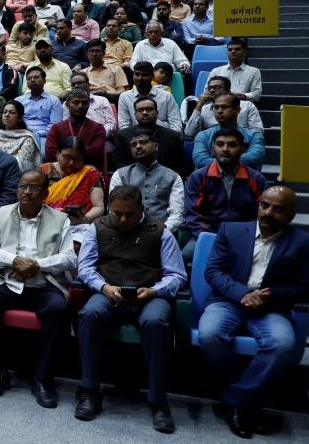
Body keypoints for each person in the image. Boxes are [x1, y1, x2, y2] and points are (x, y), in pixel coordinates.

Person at [198, 186, 309, 439]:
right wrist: (243, 294)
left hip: (271, 308)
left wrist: (272, 295)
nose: (268, 212)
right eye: (265, 205)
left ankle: (236, 398)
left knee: (282, 343)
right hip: (229, 300)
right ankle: (246, 394)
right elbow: (213, 272)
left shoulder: (302, 242)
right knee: (210, 334)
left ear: (291, 215)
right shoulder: (231, 230)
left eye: (278, 209)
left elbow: (304, 288)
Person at [75, 186, 186, 433]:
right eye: (117, 214)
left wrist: (155, 291)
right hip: (109, 292)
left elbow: (177, 275)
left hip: (149, 295)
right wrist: (103, 287)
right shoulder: (97, 228)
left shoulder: (160, 231)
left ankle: (158, 401)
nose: (123, 220)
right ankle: (89, 391)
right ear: (110, 210)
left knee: (156, 322)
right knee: (89, 314)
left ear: (141, 209)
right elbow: (85, 268)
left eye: (130, 214)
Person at [0, 171, 76, 408]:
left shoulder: (60, 219)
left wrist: (37, 265)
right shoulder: (2, 213)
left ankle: (43, 379)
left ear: (45, 193)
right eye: (23, 187)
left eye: (34, 188)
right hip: (8, 281)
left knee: (57, 309)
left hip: (43, 283)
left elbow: (70, 258)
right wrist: (15, 261)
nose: (27, 192)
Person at [183, 128, 268, 261]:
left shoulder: (256, 179)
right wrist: (213, 239)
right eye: (220, 144)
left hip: (245, 237)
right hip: (208, 235)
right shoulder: (198, 178)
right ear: (213, 149)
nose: (225, 149)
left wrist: (246, 236)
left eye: (232, 145)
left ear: (242, 149)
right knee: (185, 256)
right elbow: (193, 216)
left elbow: (262, 216)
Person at [109, 128, 184, 232]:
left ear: (156, 146)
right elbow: (113, 210)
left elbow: (176, 214)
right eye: (133, 145)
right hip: (126, 231)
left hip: (161, 232)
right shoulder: (120, 175)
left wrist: (161, 231)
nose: (138, 146)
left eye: (143, 142)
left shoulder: (173, 177)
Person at [40, 136, 105, 242]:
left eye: (77, 159)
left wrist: (83, 219)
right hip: (45, 223)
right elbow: (34, 198)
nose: (71, 163)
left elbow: (98, 206)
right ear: (58, 154)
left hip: (79, 227)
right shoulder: (44, 170)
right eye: (67, 157)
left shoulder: (90, 175)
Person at [192, 93, 265, 170]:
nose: (219, 111)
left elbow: (255, 157)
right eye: (216, 107)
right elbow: (200, 160)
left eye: (225, 107)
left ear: (237, 110)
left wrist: (223, 163)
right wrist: (230, 162)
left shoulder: (254, 135)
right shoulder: (203, 136)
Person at [44, 89, 105, 168]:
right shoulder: (56, 128)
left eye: (84, 103)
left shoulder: (98, 128)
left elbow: (95, 152)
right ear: (67, 105)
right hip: (62, 169)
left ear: (89, 104)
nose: (80, 106)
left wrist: (66, 156)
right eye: (76, 102)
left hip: (86, 169)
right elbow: (50, 153)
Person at [117, 61, 182, 132]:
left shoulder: (166, 96)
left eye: (144, 75)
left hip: (162, 136)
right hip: (135, 137)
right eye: (137, 74)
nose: (140, 78)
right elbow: (124, 127)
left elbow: (176, 126)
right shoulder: (125, 97)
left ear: (152, 77)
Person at [16, 66, 63, 153]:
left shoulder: (54, 100)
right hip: (21, 134)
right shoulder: (19, 101)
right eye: (29, 78)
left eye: (36, 77)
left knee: (42, 154)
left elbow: (55, 125)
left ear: (44, 80)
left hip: (43, 136)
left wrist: (37, 134)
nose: (32, 80)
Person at [0, 100, 42, 171]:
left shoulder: (27, 138)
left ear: (20, 118)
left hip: (14, 174)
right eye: (5, 112)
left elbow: (23, 165)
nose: (7, 115)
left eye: (12, 113)